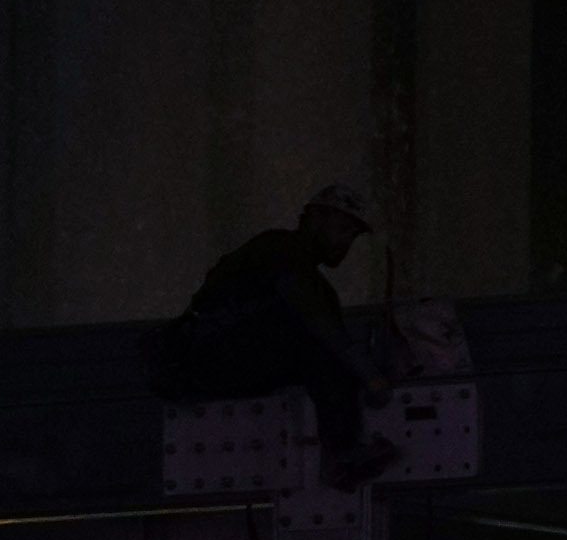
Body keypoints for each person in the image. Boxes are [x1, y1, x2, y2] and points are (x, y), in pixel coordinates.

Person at [145, 181, 393, 423]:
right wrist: (370, 376)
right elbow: (318, 323)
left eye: (352, 235)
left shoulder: (312, 281)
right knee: (320, 346)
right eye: (342, 228)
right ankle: (346, 452)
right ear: (315, 218)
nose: (345, 242)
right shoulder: (280, 249)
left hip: (220, 361)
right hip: (205, 362)